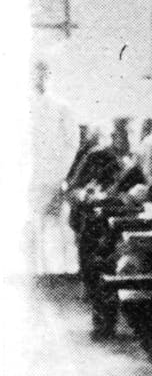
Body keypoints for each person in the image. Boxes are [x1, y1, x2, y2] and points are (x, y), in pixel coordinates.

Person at [28, 58, 80, 275]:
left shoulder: (60, 108)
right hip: (28, 176)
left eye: (44, 74)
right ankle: (32, 273)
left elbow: (72, 142)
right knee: (29, 226)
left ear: (49, 76)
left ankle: (61, 275)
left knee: (57, 227)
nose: (39, 78)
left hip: (54, 175)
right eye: (35, 73)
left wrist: (61, 173)